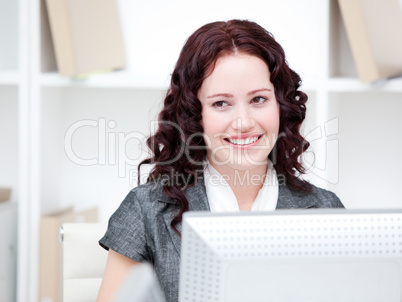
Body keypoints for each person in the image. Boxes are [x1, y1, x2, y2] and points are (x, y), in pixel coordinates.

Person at [96, 19, 344, 302]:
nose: (243, 122)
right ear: (194, 114)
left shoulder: (326, 211)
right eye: (221, 103)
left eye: (259, 99)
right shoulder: (147, 210)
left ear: (281, 105)